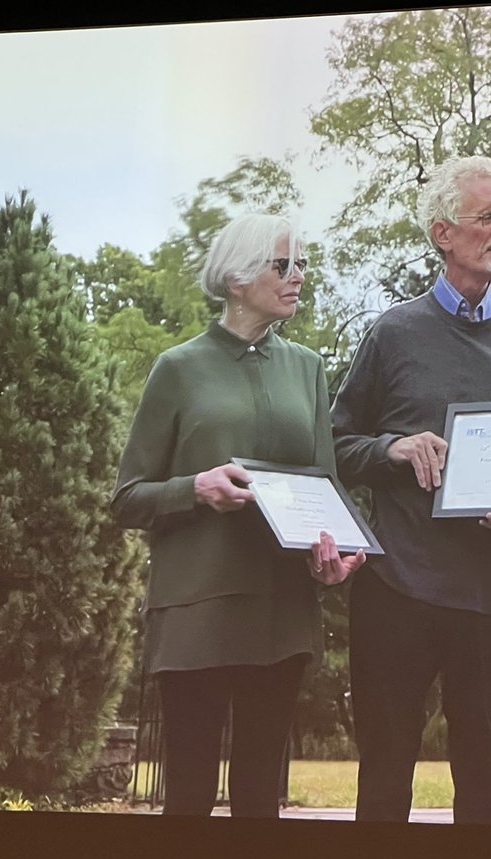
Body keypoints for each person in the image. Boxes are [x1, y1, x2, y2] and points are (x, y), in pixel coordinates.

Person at [112, 213, 365, 817]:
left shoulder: (307, 366)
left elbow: (323, 489)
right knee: (190, 802)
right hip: (195, 613)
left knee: (260, 805)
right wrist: (195, 489)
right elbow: (127, 497)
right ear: (236, 278)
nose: (298, 276)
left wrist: (328, 563)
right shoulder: (178, 368)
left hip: (281, 614)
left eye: (301, 263)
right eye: (283, 265)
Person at [331, 155, 491, 825]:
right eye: (487, 216)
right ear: (442, 233)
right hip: (398, 590)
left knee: (485, 790)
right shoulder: (393, 333)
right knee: (384, 779)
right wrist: (393, 449)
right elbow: (337, 446)